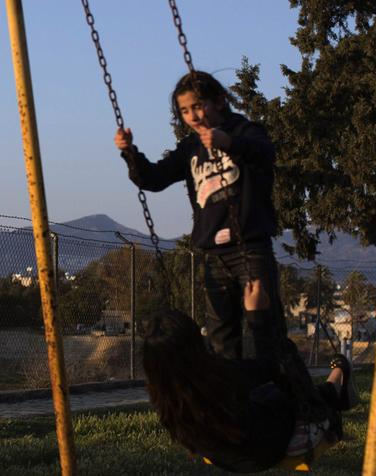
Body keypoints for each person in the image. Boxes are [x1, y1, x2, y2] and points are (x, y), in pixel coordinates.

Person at [113, 70, 282, 363]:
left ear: (219, 100)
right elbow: (153, 178)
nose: (192, 116)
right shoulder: (190, 149)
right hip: (213, 254)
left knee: (264, 326)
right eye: (185, 111)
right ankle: (229, 399)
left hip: (250, 248)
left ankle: (276, 395)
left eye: (198, 106)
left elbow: (265, 152)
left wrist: (227, 142)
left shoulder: (245, 132)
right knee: (220, 338)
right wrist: (130, 152)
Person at [143, 309, 356, 473]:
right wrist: (258, 315)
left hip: (225, 459)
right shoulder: (220, 376)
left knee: (262, 394)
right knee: (287, 385)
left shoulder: (164, 397)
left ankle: (338, 386)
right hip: (266, 448)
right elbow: (271, 366)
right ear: (194, 346)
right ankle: (339, 376)